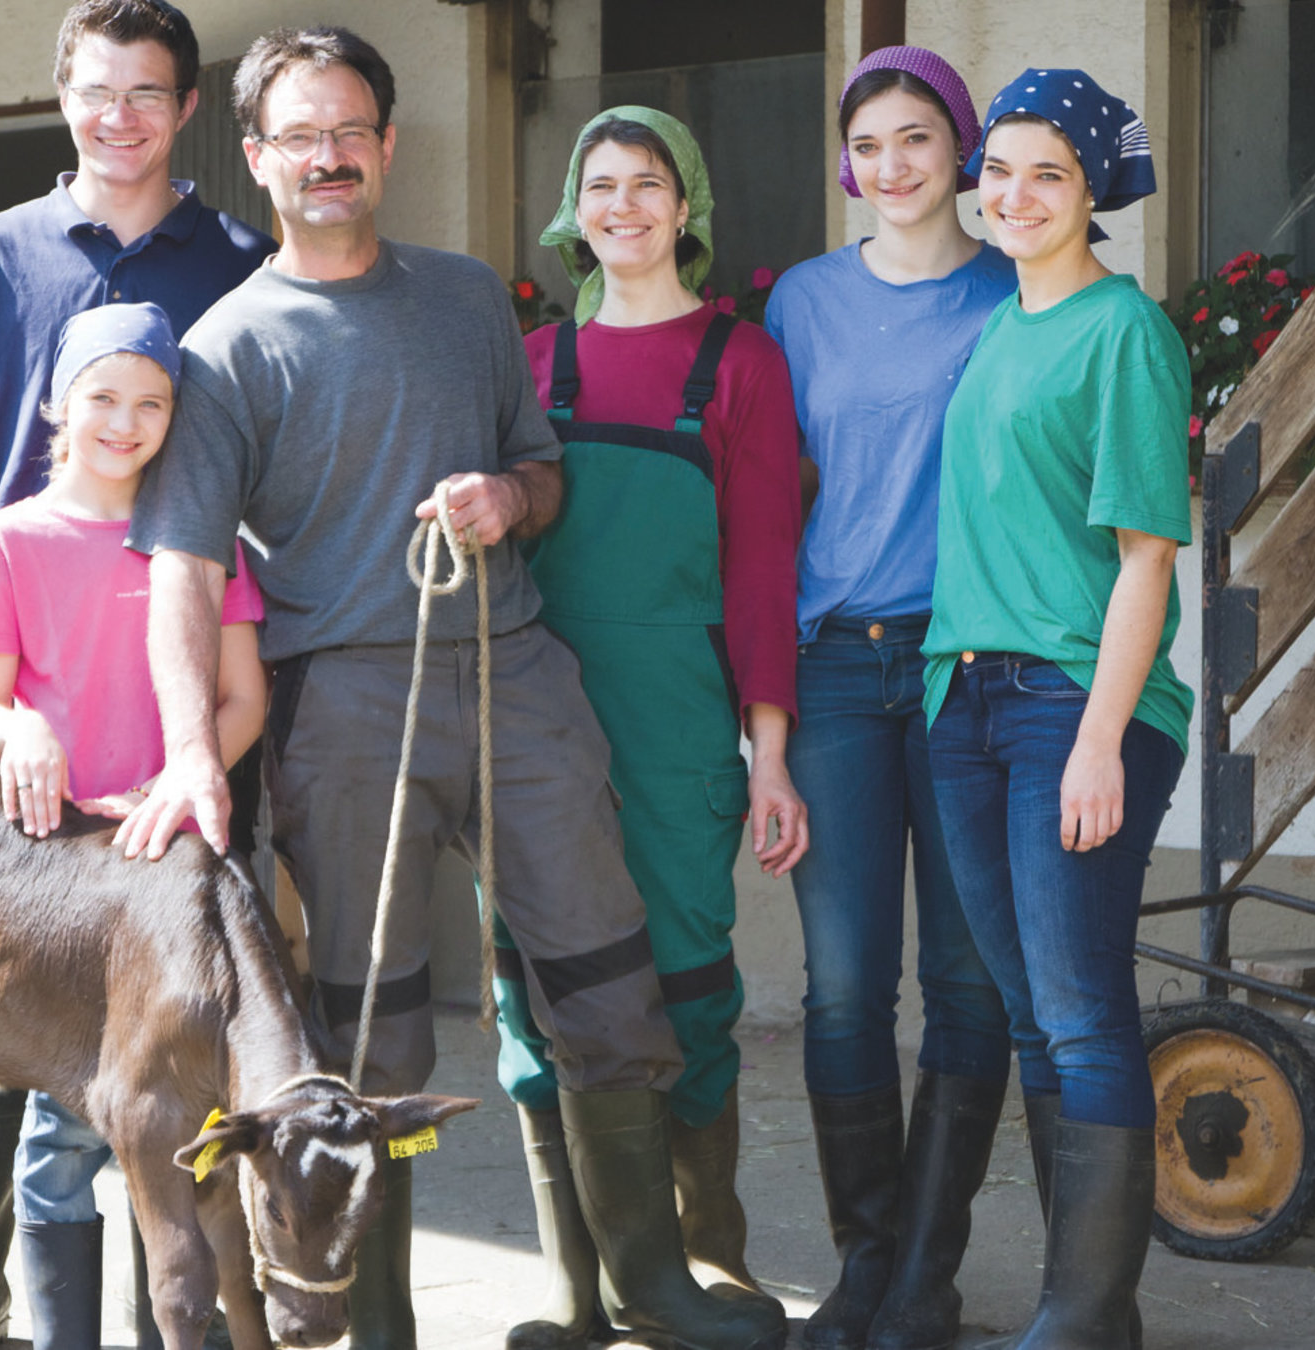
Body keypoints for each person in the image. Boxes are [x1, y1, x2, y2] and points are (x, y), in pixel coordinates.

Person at [112, 27, 789, 1350]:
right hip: (343, 706)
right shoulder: (226, 348)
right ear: (256, 158)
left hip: (519, 675)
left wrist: (504, 497)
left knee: (604, 983)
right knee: (374, 1041)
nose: (327, 154)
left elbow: (543, 476)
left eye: (349, 129)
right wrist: (192, 751)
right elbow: (182, 570)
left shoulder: (471, 298)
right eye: (300, 135)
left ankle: (644, 1287)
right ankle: (383, 1326)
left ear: (387, 143)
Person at [0, 2, 271, 1344]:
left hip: (175, 703)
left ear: (186, 104)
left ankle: (170, 1305)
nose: (120, 114)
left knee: (171, 1022)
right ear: (62, 98)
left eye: (147, 92)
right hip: (22, 681)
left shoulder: (234, 261)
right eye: (97, 90)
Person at [498, 107, 805, 1350]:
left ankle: (703, 1263)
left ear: (689, 210)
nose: (622, 206)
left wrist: (768, 749)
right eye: (601, 186)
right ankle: (580, 1284)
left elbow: (764, 568)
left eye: (648, 185)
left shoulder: (738, 364)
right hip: (531, 724)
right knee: (534, 983)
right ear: (575, 211)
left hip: (678, 722)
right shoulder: (525, 366)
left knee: (685, 979)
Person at [924, 70, 1190, 1350]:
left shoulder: (1122, 330)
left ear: (1094, 194)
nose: (1012, 194)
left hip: (1076, 707)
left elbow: (1146, 556)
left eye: (1047, 173)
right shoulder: (996, 328)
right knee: (1030, 1011)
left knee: (1081, 1008)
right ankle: (1076, 1310)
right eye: (999, 168)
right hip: (965, 700)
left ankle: (1085, 1319)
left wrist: (1096, 739)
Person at [761, 46, 1018, 1350]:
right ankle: (863, 1259)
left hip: (970, 669)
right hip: (834, 669)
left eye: (916, 138)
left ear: (960, 152)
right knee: (845, 982)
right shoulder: (799, 303)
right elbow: (758, 505)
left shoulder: (1014, 292)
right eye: (867, 144)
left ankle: (926, 1266)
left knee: (967, 980)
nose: (890, 166)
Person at [0, 303, 268, 1349]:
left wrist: (186, 776)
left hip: (173, 862)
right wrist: (23, 730)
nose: (125, 422)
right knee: (65, 1123)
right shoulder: (8, 540)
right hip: (61, 877)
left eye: (151, 403)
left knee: (187, 1106)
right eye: (103, 398)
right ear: (57, 404)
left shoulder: (203, 539)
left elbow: (242, 700)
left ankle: (183, 1327)